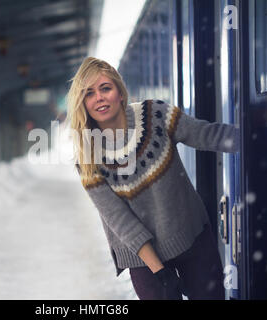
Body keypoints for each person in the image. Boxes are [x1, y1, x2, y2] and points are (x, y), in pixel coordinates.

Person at [65, 57, 239, 300]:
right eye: (89, 93)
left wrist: (253, 139)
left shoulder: (155, 115)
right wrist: (159, 271)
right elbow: (119, 219)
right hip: (142, 256)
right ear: (82, 103)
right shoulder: (87, 157)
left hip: (190, 235)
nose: (99, 98)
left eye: (105, 88)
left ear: (120, 93)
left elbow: (206, 134)